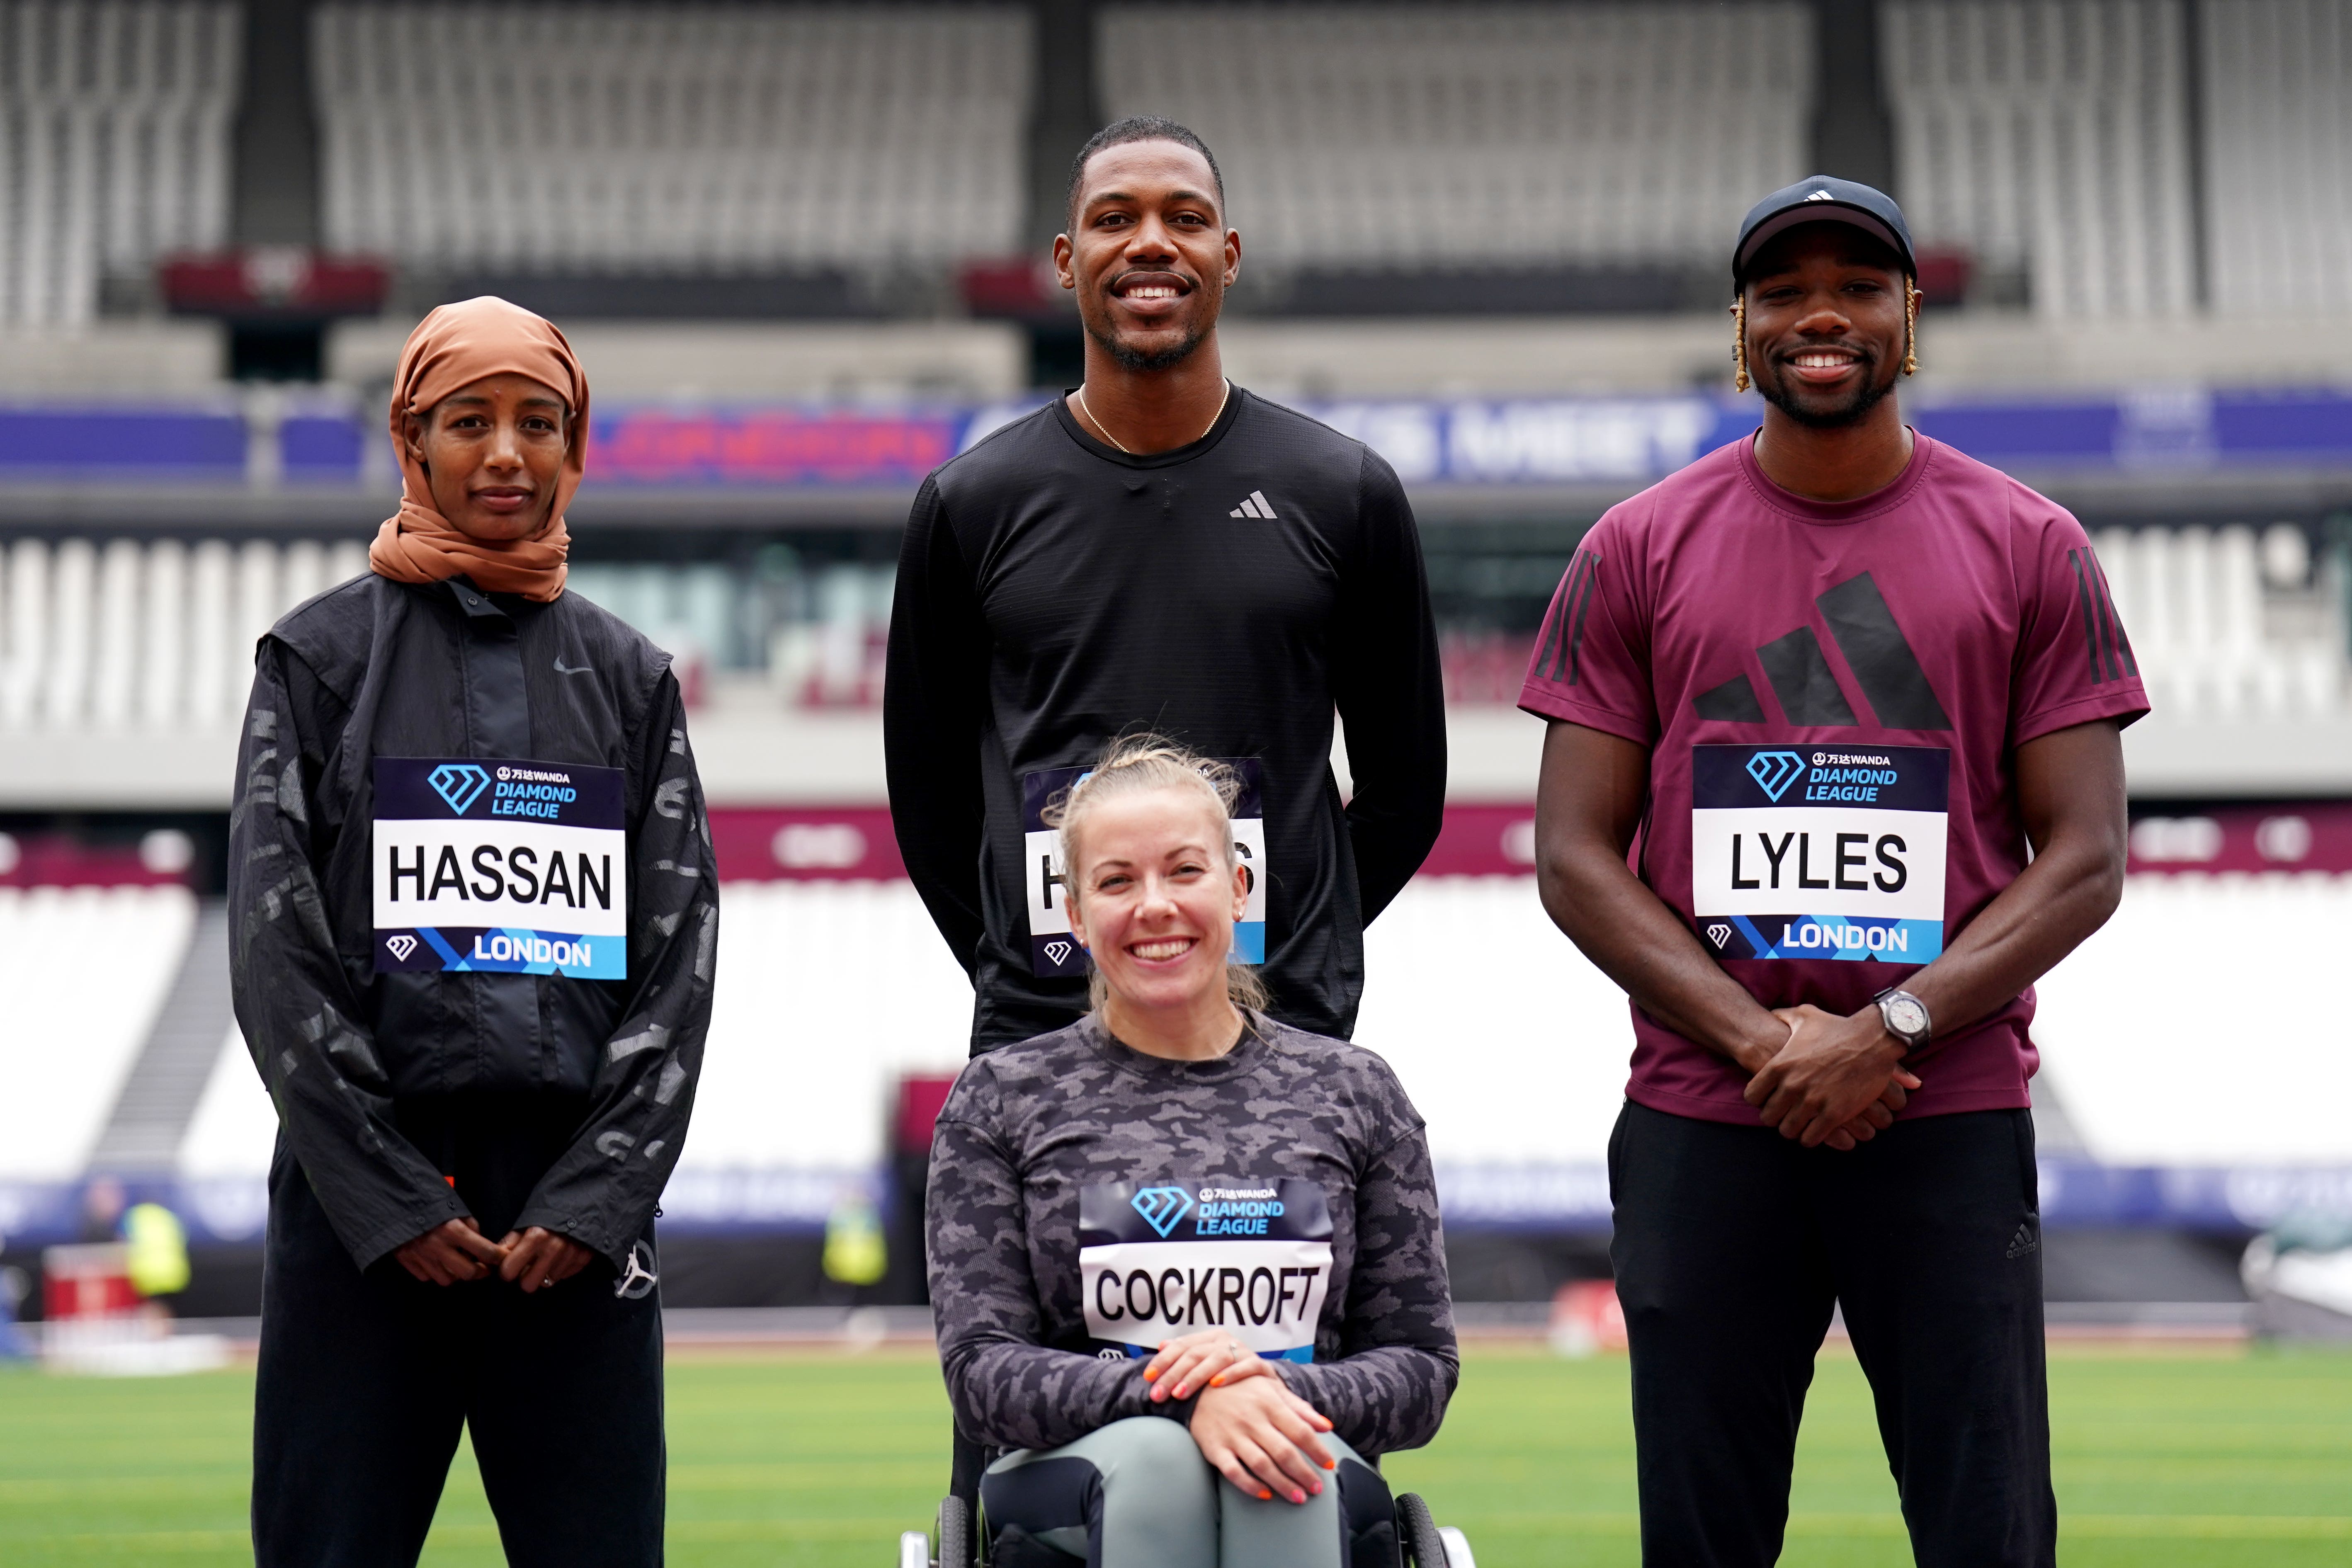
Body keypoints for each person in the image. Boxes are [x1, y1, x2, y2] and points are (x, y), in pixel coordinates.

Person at [1523, 176, 2146, 1567]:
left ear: (1909, 320)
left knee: (1986, 1536)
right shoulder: (1633, 547)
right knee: (1702, 1537)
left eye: (1860, 287)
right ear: (1740, 327)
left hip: (1944, 1113)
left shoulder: (2029, 545)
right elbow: (1571, 855)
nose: (1821, 314)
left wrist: (1888, 1029)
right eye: (1782, 290)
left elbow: (2089, 855)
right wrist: (1766, 1041)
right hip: (1704, 1108)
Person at [228, 296, 718, 1568]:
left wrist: (597, 1196)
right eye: (469, 421)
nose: (506, 452)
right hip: (362, 1219)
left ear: (575, 448)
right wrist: (388, 1197)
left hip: (577, 1229)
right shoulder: (314, 658)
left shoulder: (631, 677)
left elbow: (679, 957)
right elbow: (273, 952)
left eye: (538, 423)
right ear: (413, 441)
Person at [886, 116, 1447, 1054]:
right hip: (1044, 1033)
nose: (1150, 241)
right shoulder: (969, 502)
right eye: (1115, 219)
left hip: (1283, 1027)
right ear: (1066, 261)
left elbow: (1406, 792)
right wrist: (1032, 958)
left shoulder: (1342, 491)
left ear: (1226, 255)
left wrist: (1296, 946)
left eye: (1183, 218)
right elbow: (928, 797)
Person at [927, 736, 1456, 1568]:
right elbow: (982, 1371)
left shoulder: (1355, 1094)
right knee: (1158, 1461)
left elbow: (1421, 1368)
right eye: (1115, 881)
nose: (1154, 906)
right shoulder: (1000, 1098)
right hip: (1073, 1483)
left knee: (1280, 1464)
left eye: (1184, 871)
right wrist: (1182, 1396)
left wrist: (1269, 1388)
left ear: (1238, 887)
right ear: (1073, 912)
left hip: (1301, 1453)